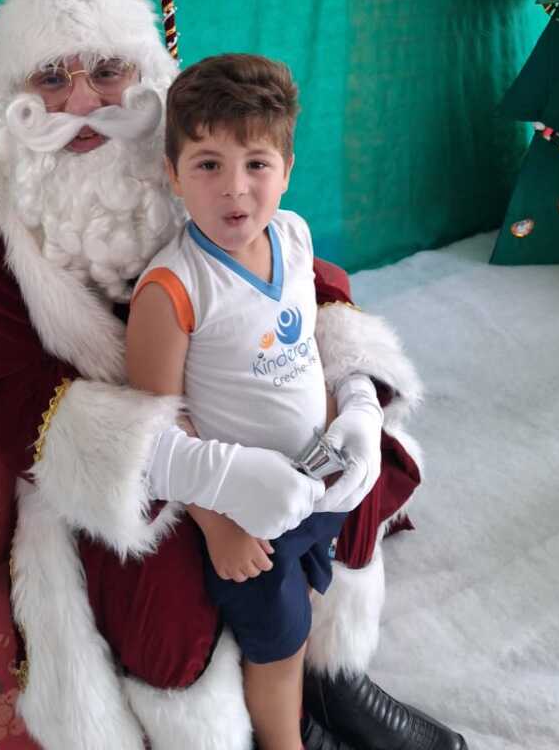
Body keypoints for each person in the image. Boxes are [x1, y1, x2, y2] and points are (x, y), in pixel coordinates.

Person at [0, 0, 467, 750]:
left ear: (144, 76)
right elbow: (8, 385)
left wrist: (354, 391)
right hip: (115, 449)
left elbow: (300, 277)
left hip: (249, 395)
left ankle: (333, 677)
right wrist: (198, 478)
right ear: (15, 95)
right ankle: (254, 730)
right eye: (51, 79)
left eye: (106, 71)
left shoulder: (185, 139)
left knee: (357, 472)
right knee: (170, 604)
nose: (82, 102)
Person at [128, 53, 381, 750]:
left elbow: (310, 348)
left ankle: (324, 700)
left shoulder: (292, 236)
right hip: (245, 521)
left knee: (316, 597)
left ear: (287, 169)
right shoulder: (173, 289)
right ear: (173, 174)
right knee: (278, 644)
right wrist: (217, 526)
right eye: (208, 164)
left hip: (315, 483)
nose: (235, 188)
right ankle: (282, 738)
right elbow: (157, 433)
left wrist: (353, 414)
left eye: (257, 164)